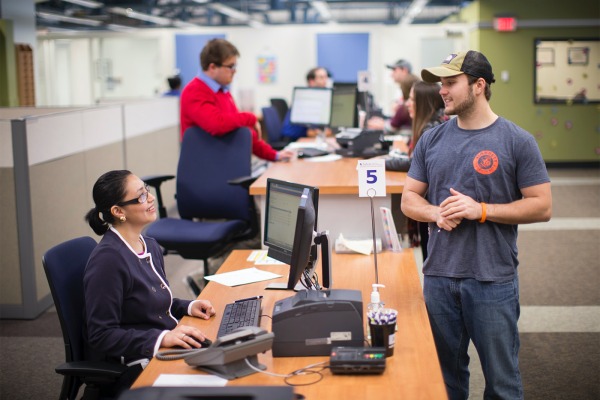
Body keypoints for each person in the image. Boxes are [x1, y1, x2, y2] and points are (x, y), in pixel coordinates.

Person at [401, 51, 552, 399]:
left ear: (478, 85)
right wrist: (435, 213)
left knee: (502, 384)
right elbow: (410, 198)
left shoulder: (517, 141)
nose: (442, 90)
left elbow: (542, 206)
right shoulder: (432, 139)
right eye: (441, 83)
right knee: (444, 383)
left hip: (492, 280)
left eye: (451, 82)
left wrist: (481, 210)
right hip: (438, 276)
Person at [83, 170, 216, 395]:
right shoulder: (107, 261)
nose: (151, 198)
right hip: (137, 362)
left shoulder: (150, 245)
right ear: (118, 211)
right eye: (141, 196)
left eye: (147, 190)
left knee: (227, 357)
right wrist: (161, 337)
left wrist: (188, 306)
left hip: (163, 343)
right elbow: (101, 335)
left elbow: (149, 301)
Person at [180, 38, 293, 161]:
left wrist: (275, 155)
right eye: (230, 66)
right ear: (212, 67)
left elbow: (244, 133)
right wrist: (250, 118)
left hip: (226, 162)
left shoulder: (223, 91)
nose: (235, 71)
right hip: (206, 166)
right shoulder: (195, 91)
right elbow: (217, 124)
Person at [385, 81, 446, 260]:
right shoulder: (432, 124)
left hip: (432, 205)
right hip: (431, 203)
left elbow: (414, 163)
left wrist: (382, 163)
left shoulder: (431, 129)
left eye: (412, 99)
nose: (407, 103)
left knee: (431, 255)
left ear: (424, 102)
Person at [367, 59, 419, 132]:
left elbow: (395, 124)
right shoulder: (399, 91)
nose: (391, 74)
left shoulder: (410, 93)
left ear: (404, 70)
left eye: (394, 70)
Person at [281, 66, 332, 141]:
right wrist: (311, 132)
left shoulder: (318, 99)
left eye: (326, 77)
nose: (325, 81)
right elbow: (288, 130)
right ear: (311, 81)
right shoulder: (303, 99)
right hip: (294, 140)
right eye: (321, 78)